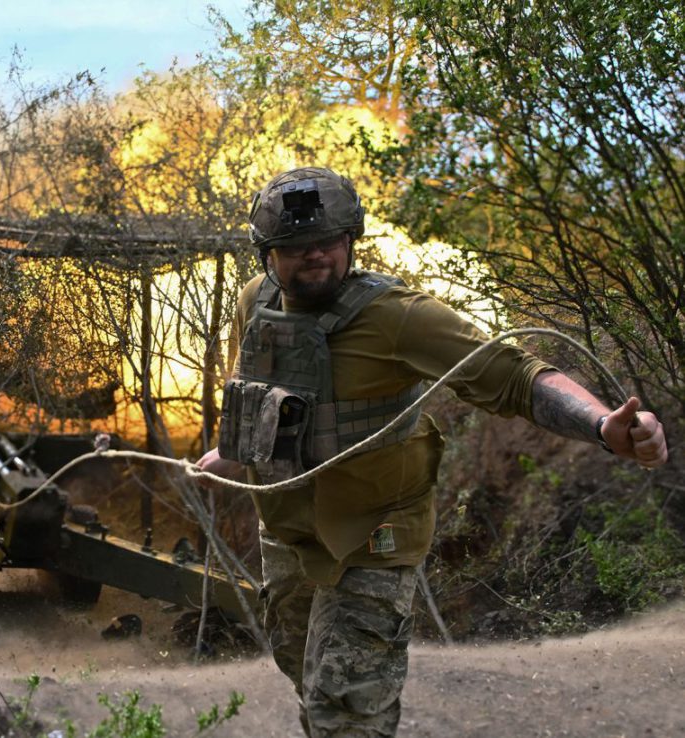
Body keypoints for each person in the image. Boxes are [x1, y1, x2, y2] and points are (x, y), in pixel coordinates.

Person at [196, 166, 669, 737]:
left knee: (344, 709)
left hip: (376, 535)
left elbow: (515, 376)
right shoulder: (255, 305)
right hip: (290, 532)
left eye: (327, 241)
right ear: (267, 254)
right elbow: (263, 395)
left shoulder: (399, 317)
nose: (313, 255)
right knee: (306, 675)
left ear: (352, 240)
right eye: (294, 246)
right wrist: (232, 453)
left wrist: (603, 425)